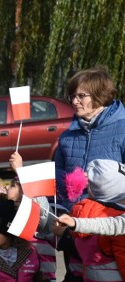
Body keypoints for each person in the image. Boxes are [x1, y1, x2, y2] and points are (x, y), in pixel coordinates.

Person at [54, 67, 125, 209]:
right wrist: (69, 181)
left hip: (109, 219)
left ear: (100, 95)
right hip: (71, 217)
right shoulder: (66, 137)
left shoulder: (122, 129)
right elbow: (55, 175)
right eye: (72, 96)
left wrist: (99, 181)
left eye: (81, 96)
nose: (75, 101)